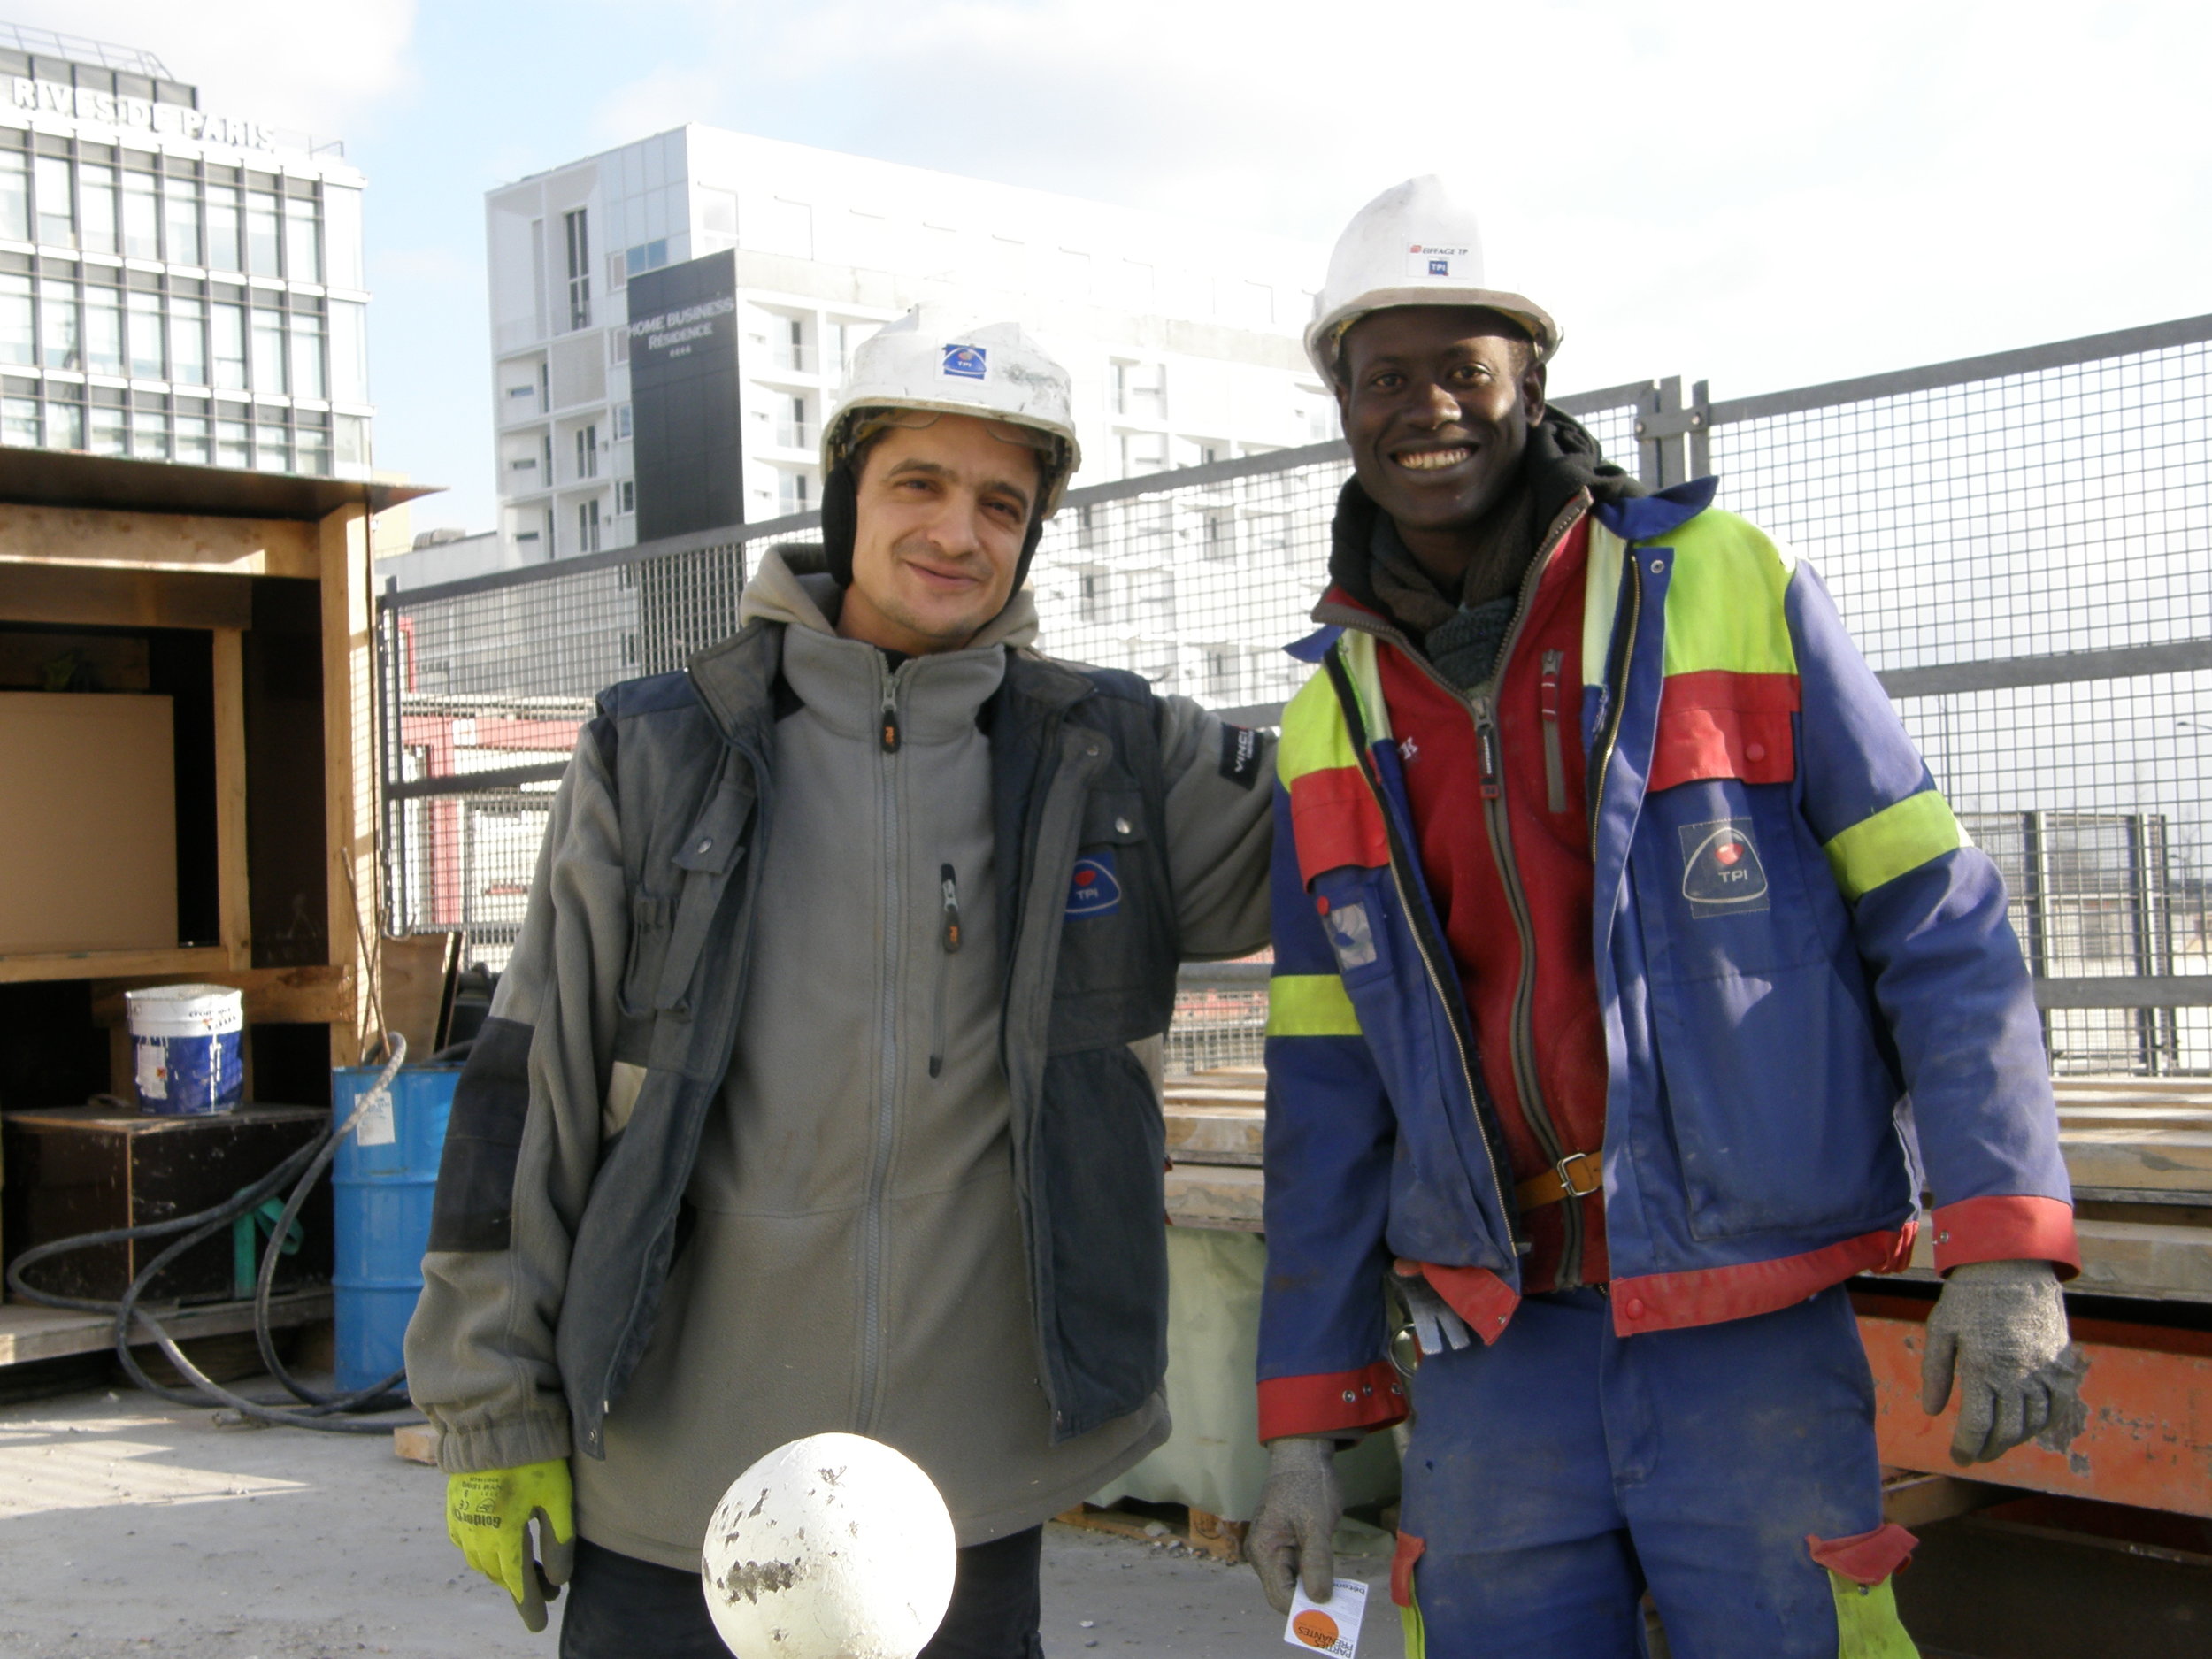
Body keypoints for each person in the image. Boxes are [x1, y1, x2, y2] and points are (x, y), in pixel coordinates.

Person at [1245, 177, 2086, 1658]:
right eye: (1388, 377)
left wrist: (2005, 1242)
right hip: (1495, 1339)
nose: (1428, 406)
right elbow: (1324, 1090)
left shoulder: (1729, 587)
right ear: (1342, 402)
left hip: (1745, 1321)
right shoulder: (1333, 715)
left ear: (1532, 385)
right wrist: (1304, 1423)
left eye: (1466, 369)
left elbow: (1938, 921)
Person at [406, 307, 1274, 1657]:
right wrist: (488, 1402)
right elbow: (533, 1091)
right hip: (673, 1473)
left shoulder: (1111, 758)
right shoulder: (665, 751)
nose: (956, 530)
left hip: (963, 1488)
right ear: (845, 496)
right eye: (917, 484)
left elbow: (1374, 840)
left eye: (1001, 499)